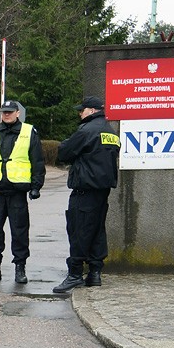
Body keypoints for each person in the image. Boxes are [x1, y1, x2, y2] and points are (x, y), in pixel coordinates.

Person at [0, 100, 45, 284]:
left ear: (17, 113)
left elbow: (37, 161)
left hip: (17, 192)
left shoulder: (29, 132)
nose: (6, 115)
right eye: (4, 112)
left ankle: (20, 268)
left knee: (19, 232)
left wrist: (36, 186)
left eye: (10, 112)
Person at [53, 96, 120, 294]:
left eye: (82, 110)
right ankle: (94, 273)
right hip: (102, 190)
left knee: (79, 230)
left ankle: (74, 274)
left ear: (91, 110)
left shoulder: (87, 130)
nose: (79, 113)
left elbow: (64, 152)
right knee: (97, 230)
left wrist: (65, 144)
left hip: (85, 189)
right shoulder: (110, 131)